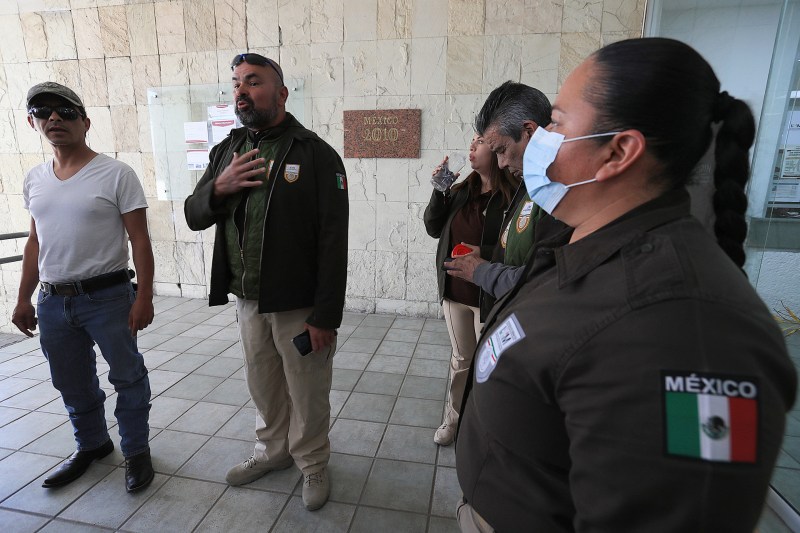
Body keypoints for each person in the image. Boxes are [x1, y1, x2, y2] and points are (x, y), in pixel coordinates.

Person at [455, 38, 798, 532]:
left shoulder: (691, 331)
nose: (541, 139)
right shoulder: (583, 241)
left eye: (556, 122)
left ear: (618, 151)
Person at [183, 53, 348, 511]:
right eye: (236, 83)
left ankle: (312, 462)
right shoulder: (226, 151)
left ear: (281, 92)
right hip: (249, 299)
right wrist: (219, 187)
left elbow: (335, 242)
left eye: (253, 82)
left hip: (298, 303)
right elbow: (193, 214)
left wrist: (325, 316)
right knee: (264, 384)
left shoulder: (314, 153)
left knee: (307, 388)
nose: (241, 91)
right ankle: (272, 452)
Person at [11, 82, 155, 493]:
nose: (55, 118)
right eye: (43, 110)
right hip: (54, 300)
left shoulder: (115, 174)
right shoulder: (35, 178)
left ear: (85, 122)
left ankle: (137, 452)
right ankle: (91, 444)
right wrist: (23, 298)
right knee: (71, 381)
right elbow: (35, 241)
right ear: (32, 121)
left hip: (108, 298)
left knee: (127, 377)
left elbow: (140, 239)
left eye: (66, 111)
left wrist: (143, 295)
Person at [423, 135, 519, 446]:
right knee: (462, 359)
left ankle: (486, 425)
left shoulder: (514, 196)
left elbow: (515, 248)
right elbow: (433, 227)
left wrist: (485, 252)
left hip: (489, 293)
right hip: (455, 292)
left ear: (496, 151)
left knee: (490, 363)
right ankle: (453, 419)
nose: (471, 148)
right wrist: (440, 191)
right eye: (472, 143)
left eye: (479, 142)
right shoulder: (461, 191)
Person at [445, 81, 559, 307]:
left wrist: (482, 272)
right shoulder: (530, 182)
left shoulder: (560, 190)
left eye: (502, 150)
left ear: (529, 131)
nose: (502, 163)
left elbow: (545, 282)